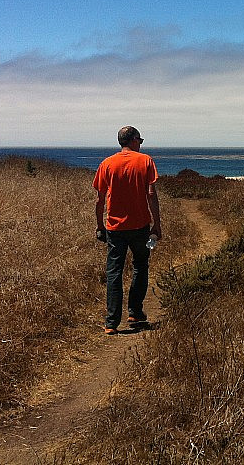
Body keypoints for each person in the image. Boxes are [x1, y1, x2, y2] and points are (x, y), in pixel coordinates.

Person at [93, 126, 162, 334]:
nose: (140, 144)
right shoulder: (146, 161)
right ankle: (135, 312)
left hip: (114, 227)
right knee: (140, 266)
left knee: (114, 271)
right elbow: (151, 195)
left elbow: (100, 199)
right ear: (132, 140)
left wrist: (99, 225)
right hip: (140, 225)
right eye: (139, 140)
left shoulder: (107, 164)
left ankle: (111, 323)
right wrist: (157, 225)